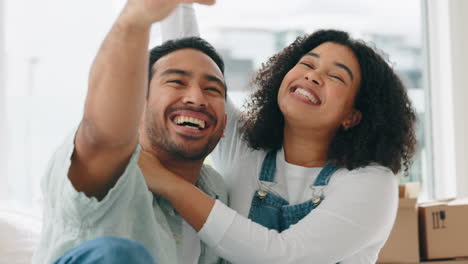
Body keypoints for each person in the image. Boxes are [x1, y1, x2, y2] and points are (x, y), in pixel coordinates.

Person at [139, 5, 417, 264]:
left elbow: (283, 257)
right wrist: (179, 4)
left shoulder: (371, 182)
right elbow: (193, 65)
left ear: (353, 115)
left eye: (336, 77)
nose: (313, 76)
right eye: (307, 64)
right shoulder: (247, 150)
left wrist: (168, 183)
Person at [32, 0, 230, 263]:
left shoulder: (217, 191)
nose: (196, 98)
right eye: (176, 82)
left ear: (224, 125)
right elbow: (101, 137)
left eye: (212, 89)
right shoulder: (117, 168)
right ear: (138, 105)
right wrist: (134, 23)